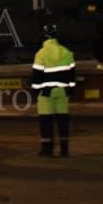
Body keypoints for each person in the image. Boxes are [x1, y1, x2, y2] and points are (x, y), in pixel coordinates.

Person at [32, 23, 76, 156]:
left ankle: (47, 150)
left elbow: (37, 76)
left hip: (46, 94)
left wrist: (36, 91)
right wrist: (70, 89)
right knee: (63, 120)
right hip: (63, 92)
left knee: (46, 122)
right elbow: (72, 75)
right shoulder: (67, 52)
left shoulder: (41, 54)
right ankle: (64, 150)